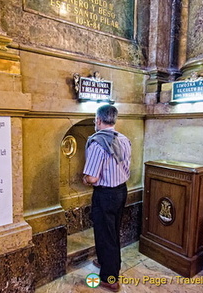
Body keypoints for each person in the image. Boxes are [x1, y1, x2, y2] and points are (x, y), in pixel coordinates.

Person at [82, 104, 131, 292]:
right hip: (121, 191)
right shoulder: (124, 139)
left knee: (105, 234)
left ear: (98, 120)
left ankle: (110, 278)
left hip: (105, 194)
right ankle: (106, 262)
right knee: (113, 232)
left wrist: (85, 179)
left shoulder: (98, 143)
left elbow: (92, 177)